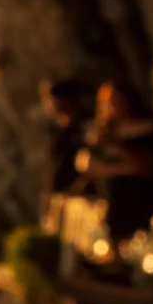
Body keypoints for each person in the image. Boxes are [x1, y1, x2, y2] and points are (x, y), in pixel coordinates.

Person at [78, 80, 153, 248]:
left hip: (148, 205)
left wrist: (116, 150)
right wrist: (120, 169)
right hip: (118, 211)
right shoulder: (104, 133)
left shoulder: (149, 131)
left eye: (120, 101)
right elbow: (86, 164)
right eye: (111, 103)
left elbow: (147, 168)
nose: (116, 107)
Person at [41, 78, 91, 207]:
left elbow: (88, 159)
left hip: (83, 197)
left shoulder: (85, 125)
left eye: (54, 99)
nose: (51, 104)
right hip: (61, 194)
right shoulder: (55, 128)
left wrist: (77, 188)